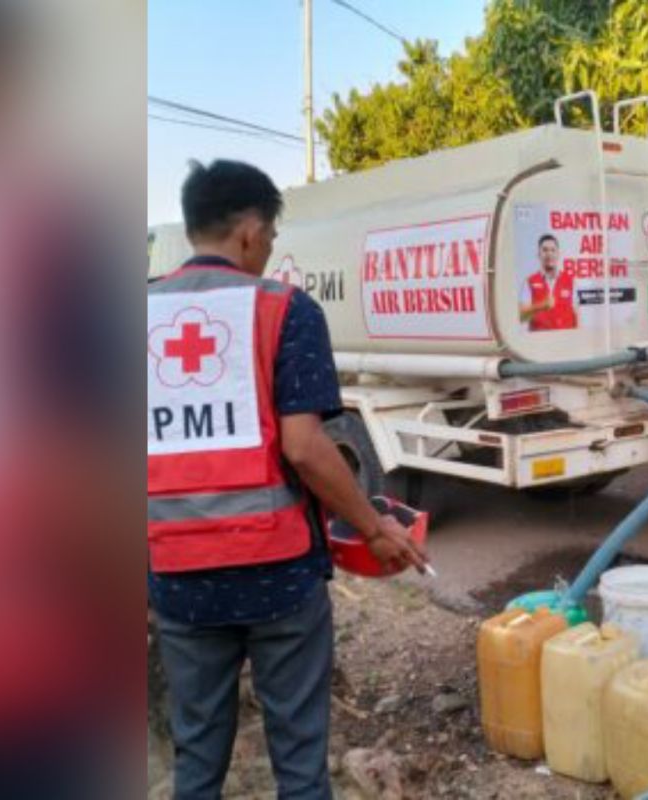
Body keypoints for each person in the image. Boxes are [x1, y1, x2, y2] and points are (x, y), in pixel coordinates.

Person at [147, 160, 428, 800]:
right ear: (249, 230)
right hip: (277, 575)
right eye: (271, 237)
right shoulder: (285, 311)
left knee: (197, 762)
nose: (270, 251)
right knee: (300, 767)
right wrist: (375, 525)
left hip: (179, 579)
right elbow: (305, 448)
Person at [519, 233, 578, 330]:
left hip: (566, 340)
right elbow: (521, 316)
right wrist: (541, 306)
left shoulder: (570, 281)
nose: (549, 254)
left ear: (558, 254)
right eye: (545, 250)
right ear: (539, 254)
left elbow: (576, 314)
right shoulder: (529, 281)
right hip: (540, 341)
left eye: (552, 250)